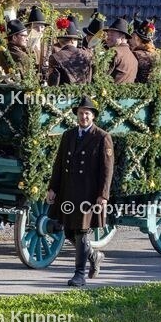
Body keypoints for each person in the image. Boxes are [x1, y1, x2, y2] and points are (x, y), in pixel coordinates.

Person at [45, 95, 113, 287]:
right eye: (81, 113)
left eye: (87, 114)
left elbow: (107, 170)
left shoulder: (102, 137)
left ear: (93, 117)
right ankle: (94, 255)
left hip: (88, 194)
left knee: (82, 232)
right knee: (68, 232)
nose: (84, 117)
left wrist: (103, 195)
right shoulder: (68, 135)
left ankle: (80, 274)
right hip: (68, 191)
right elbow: (58, 164)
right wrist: (53, 188)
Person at [46, 16, 93, 85]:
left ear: (60, 40)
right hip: (84, 93)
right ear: (72, 40)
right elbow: (89, 79)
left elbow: (53, 84)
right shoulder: (87, 54)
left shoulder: (55, 57)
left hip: (64, 94)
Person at [103, 17, 138, 84]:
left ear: (122, 37)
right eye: (108, 35)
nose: (107, 38)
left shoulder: (114, 52)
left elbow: (102, 77)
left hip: (110, 92)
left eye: (112, 34)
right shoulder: (133, 57)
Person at [130, 16, 158, 84]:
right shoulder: (156, 53)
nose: (130, 39)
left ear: (137, 38)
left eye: (132, 37)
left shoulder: (136, 54)